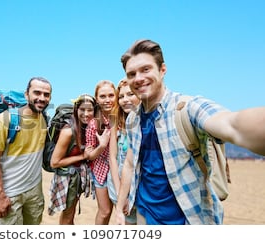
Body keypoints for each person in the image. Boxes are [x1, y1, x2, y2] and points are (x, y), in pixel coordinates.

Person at [114, 39, 265, 225]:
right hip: (145, 214)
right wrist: (120, 208)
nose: (138, 78)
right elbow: (130, 163)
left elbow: (232, 124)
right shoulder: (133, 119)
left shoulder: (187, 108)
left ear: (162, 70)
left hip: (189, 217)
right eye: (131, 74)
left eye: (146, 69)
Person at [0, 77, 52, 225]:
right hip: (10, 194)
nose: (42, 98)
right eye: (37, 93)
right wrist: (0, 197)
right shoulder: (4, 120)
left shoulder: (44, 120)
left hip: (34, 193)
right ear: (26, 95)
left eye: (46, 95)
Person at [48, 94, 96, 224]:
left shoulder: (87, 128)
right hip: (67, 177)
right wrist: (82, 156)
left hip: (77, 176)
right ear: (76, 110)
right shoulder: (68, 131)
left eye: (90, 110)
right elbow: (54, 162)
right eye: (82, 110)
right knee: (68, 214)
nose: (86, 114)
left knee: (71, 212)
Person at [107, 78, 140, 225]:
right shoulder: (116, 121)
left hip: (139, 187)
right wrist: (122, 194)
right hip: (118, 183)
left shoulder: (146, 122)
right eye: (121, 96)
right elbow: (113, 158)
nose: (125, 100)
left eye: (130, 94)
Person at [85, 80, 113, 225]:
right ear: (97, 99)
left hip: (119, 169)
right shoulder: (94, 123)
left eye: (111, 95)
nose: (107, 100)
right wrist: (101, 146)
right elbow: (88, 155)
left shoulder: (123, 117)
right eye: (103, 96)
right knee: (105, 211)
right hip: (101, 170)